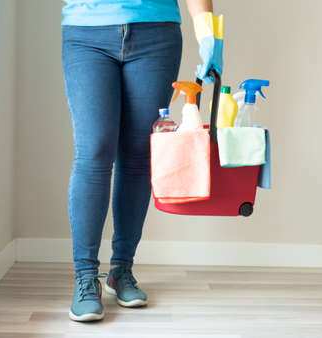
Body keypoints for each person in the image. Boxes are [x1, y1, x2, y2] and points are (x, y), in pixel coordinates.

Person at [61, 0, 223, 322]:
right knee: (93, 152)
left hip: (157, 34)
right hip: (87, 32)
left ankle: (121, 269)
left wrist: (207, 33)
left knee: (137, 155)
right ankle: (85, 277)